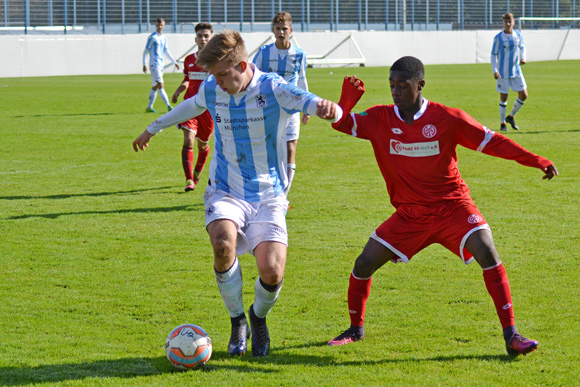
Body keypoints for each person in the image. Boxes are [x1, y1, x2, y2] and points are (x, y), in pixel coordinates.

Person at [326, 56, 558, 356]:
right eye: (391, 85)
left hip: (453, 208)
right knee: (363, 264)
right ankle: (355, 330)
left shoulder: (447, 118)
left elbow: (495, 142)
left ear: (420, 85)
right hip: (410, 215)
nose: (395, 91)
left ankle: (512, 334)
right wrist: (346, 100)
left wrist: (537, 160)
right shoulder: (380, 118)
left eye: (402, 85)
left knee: (487, 251)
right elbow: (342, 123)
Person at [133, 30, 341, 357]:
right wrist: (153, 127)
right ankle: (237, 321)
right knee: (222, 244)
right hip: (226, 189)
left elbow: (307, 100)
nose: (215, 83)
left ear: (242, 65)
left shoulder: (272, 87)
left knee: (272, 272)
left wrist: (328, 108)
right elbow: (190, 105)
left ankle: (258, 318)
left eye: (220, 75)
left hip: (268, 194)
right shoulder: (213, 88)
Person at [252, 11, 309, 202]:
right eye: (278, 29)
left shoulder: (299, 54)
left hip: (291, 107)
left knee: (291, 149)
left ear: (291, 30)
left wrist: (306, 106)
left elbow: (302, 79)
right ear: (273, 30)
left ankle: (283, 196)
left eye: (284, 29)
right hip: (268, 109)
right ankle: (267, 189)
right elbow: (253, 78)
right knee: (269, 150)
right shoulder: (264, 52)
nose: (281, 32)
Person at [170, 22, 214, 192]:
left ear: (211, 39)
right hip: (190, 105)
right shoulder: (189, 60)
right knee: (188, 139)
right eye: (200, 36)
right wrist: (178, 90)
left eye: (206, 36)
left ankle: (197, 172)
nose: (203, 39)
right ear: (195, 39)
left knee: (202, 146)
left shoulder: (216, 61)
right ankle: (189, 179)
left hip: (208, 109)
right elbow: (188, 79)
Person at [491, 13, 527, 131]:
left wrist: (523, 57)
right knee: (504, 97)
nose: (508, 24)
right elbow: (493, 55)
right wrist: (495, 70)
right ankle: (502, 124)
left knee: (524, 95)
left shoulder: (518, 35)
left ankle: (511, 117)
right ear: (503, 22)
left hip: (516, 70)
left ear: (513, 22)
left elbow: (522, 47)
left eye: (510, 21)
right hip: (503, 73)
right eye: (505, 21)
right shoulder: (498, 37)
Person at [143, 17, 180, 113]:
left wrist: (174, 62)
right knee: (161, 85)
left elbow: (166, 51)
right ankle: (168, 106)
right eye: (158, 25)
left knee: (155, 86)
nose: (160, 27)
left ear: (164, 26)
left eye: (161, 25)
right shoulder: (152, 37)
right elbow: (145, 51)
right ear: (155, 25)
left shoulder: (164, 37)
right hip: (154, 65)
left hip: (161, 65)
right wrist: (144, 64)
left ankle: (149, 107)